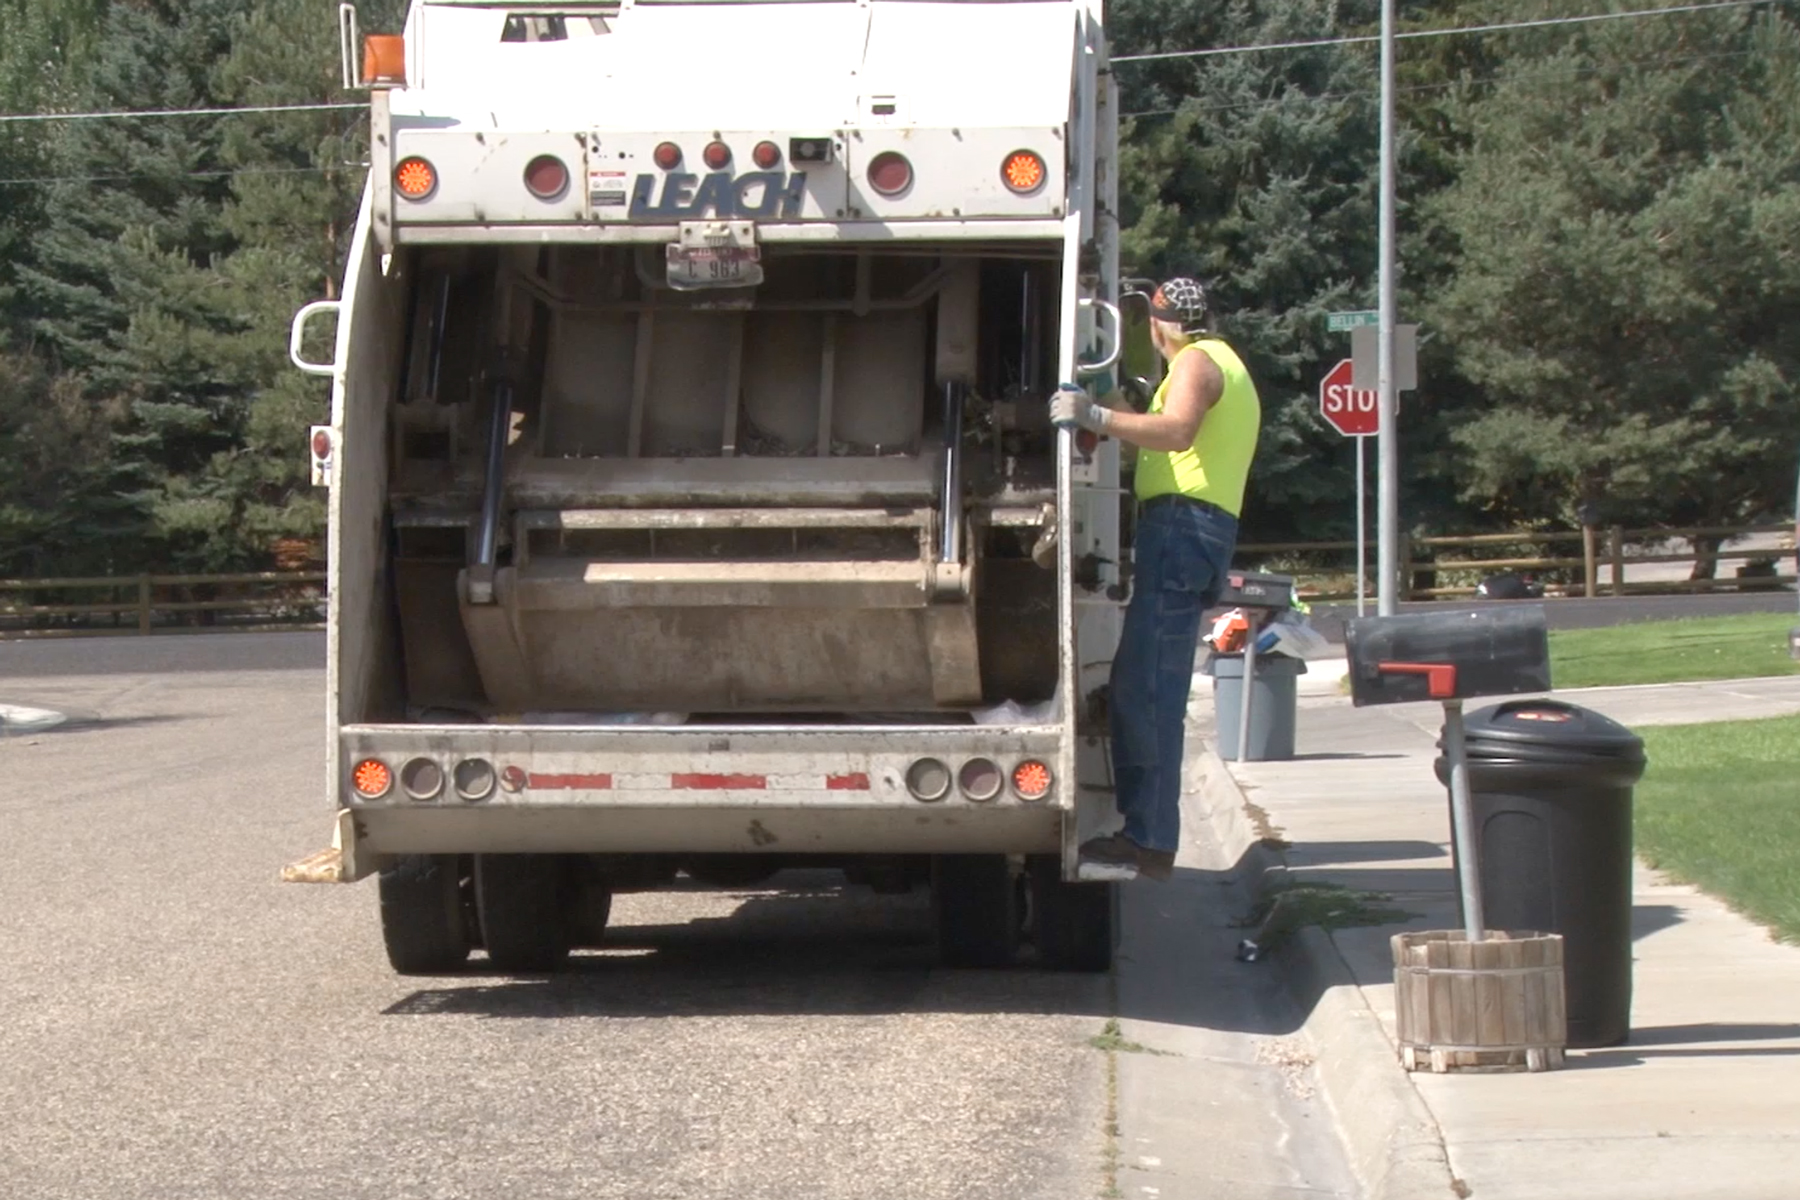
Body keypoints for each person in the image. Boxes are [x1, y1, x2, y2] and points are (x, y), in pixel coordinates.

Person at [1048, 277, 1262, 881]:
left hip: (1182, 528)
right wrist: (1114, 409)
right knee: (1145, 686)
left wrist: (1094, 415)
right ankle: (1148, 834)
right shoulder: (1221, 362)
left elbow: (1176, 431)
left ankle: (1148, 840)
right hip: (1192, 531)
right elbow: (1166, 428)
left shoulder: (1195, 362)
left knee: (1147, 692)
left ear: (1154, 324)